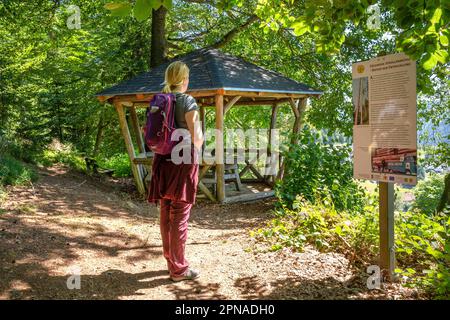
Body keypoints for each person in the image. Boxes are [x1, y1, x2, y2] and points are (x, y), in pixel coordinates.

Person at [147, 61, 204, 282]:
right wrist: (197, 143)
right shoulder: (188, 101)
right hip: (182, 164)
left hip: (162, 162)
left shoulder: (160, 100)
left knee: (166, 214)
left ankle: (171, 262)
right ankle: (179, 270)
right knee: (179, 216)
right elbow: (197, 137)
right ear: (184, 79)